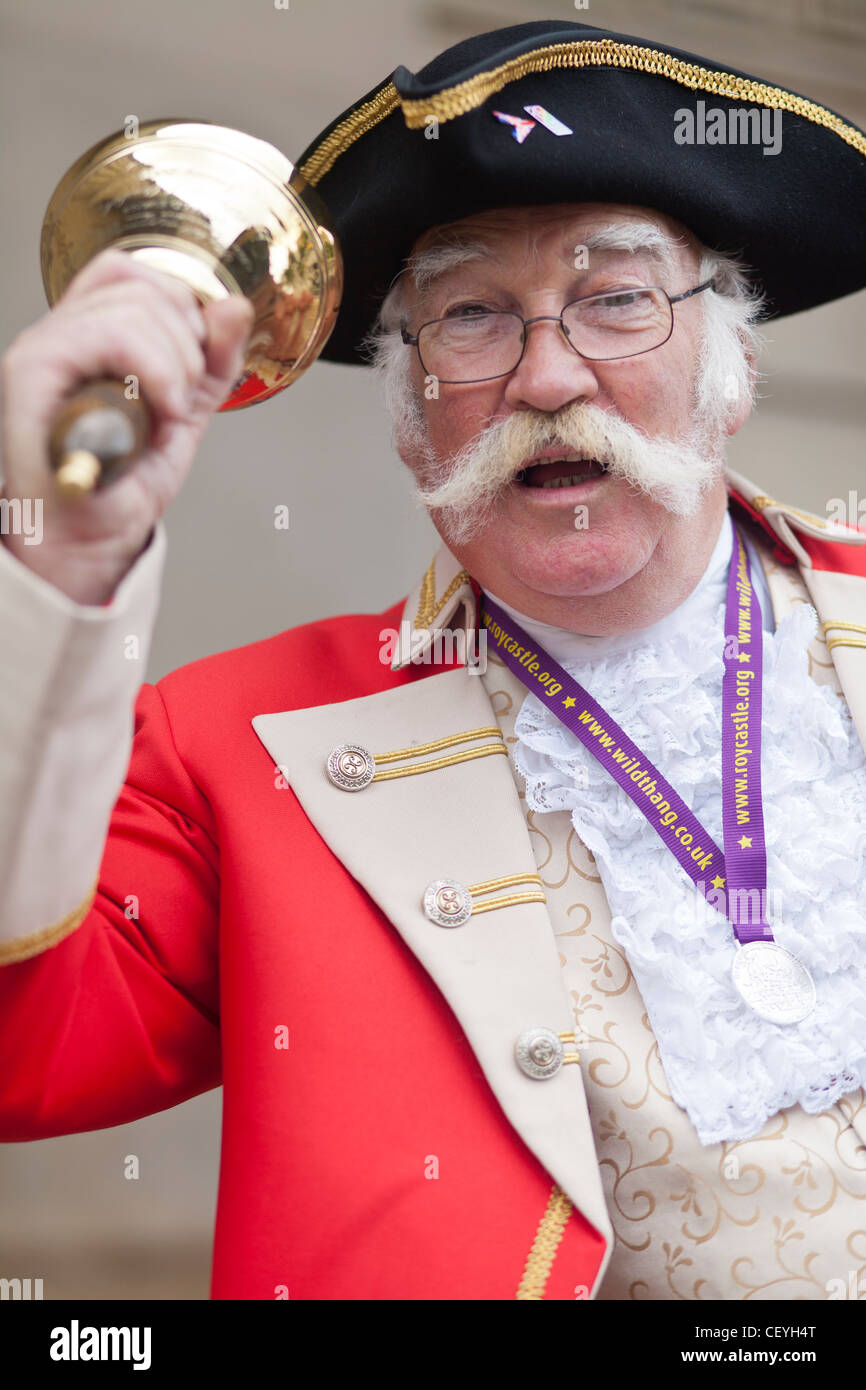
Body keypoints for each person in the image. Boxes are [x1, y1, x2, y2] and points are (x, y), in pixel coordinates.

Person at [1, 18, 865, 1301]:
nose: (548, 374)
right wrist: (50, 567)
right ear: (409, 417)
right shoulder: (245, 746)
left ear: (729, 367)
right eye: (470, 318)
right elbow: (27, 1046)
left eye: (615, 298)